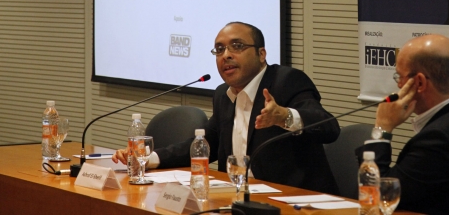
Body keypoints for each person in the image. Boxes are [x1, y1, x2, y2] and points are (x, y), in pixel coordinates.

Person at [113, 21, 340, 194]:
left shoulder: (287, 81)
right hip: (238, 198)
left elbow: (329, 127)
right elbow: (207, 143)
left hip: (293, 200)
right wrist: (147, 158)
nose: (226, 55)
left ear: (261, 54)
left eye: (237, 46)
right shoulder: (224, 94)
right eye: (219, 49)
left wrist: (285, 117)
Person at [357, 34, 449, 215]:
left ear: (419, 82)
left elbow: (376, 196)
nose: (399, 85)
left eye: (400, 76)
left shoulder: (439, 138)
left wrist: (382, 127)